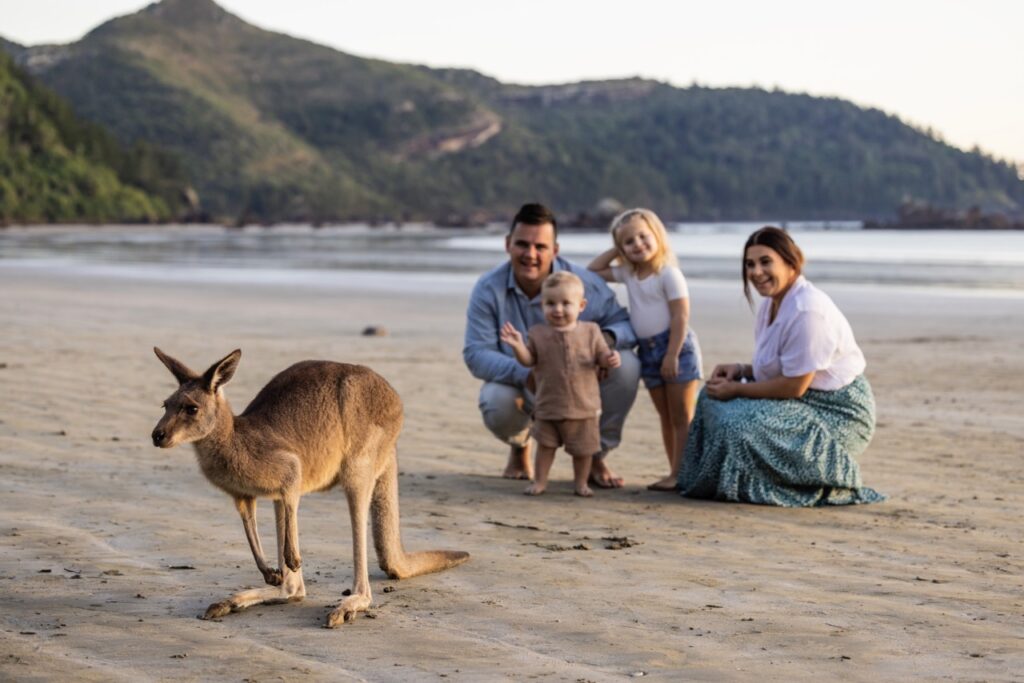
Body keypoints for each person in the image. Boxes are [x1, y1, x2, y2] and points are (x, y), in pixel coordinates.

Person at [677, 226, 885, 506]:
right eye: (750, 264)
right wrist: (741, 370)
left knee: (734, 423)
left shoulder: (807, 310)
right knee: (710, 396)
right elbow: (783, 367)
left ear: (791, 262)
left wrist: (736, 390)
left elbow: (794, 385)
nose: (756, 272)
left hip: (836, 411)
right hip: (799, 397)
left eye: (766, 262)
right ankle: (711, 483)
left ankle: (758, 485)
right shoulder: (771, 302)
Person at [463, 203, 641, 486]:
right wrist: (527, 373)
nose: (530, 254)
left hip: (582, 386)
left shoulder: (584, 283)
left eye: (540, 247)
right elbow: (476, 353)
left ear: (555, 250)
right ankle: (521, 446)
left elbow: (627, 325)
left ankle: (595, 454)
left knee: (628, 365)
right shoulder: (488, 289)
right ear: (508, 244)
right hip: (526, 382)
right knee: (496, 400)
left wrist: (603, 344)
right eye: (522, 244)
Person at [588, 208, 702, 492]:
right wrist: (617, 246)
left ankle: (681, 474)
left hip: (675, 348)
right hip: (647, 352)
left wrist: (672, 354)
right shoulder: (628, 272)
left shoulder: (668, 273)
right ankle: (674, 471)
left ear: (657, 236)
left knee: (681, 416)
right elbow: (592, 272)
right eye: (629, 242)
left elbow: (680, 317)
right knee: (665, 417)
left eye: (643, 236)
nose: (637, 244)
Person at [499, 272, 622, 496]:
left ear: (581, 305)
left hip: (583, 407)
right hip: (548, 406)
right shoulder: (538, 333)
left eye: (566, 303)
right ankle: (541, 482)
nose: (558, 309)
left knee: (583, 452)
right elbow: (528, 360)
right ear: (541, 306)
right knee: (545, 447)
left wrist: (610, 358)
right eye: (550, 303)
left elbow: (602, 355)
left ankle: (581, 483)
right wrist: (517, 345)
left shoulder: (591, 331)